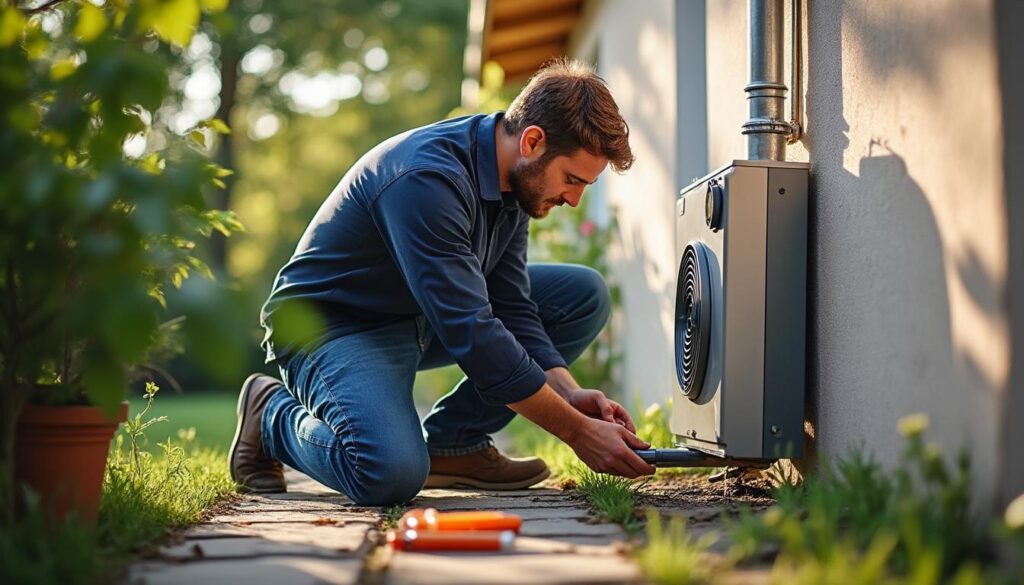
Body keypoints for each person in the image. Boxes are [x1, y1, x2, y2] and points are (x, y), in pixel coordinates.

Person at [229, 58, 658, 506]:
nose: (573, 198)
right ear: (533, 141)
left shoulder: (515, 183)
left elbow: (511, 306)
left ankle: (454, 445)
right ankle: (270, 416)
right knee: (387, 474)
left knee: (581, 296)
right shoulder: (427, 179)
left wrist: (571, 395)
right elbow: (473, 333)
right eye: (572, 180)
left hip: (417, 315)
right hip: (333, 327)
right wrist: (577, 432)